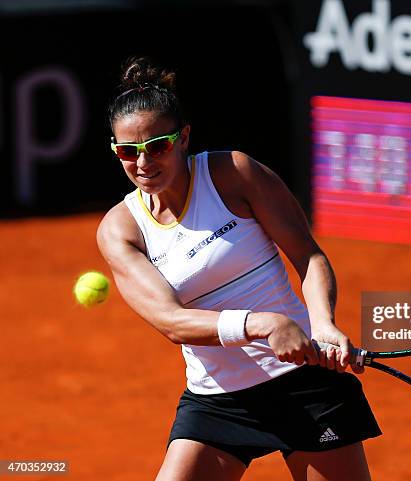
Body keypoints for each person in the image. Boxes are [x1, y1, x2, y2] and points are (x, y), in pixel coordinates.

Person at [97, 56, 381, 481]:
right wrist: (264, 324)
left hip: (304, 383)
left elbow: (308, 256)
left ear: (184, 137)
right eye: (127, 151)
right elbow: (173, 322)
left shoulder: (234, 174)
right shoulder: (120, 230)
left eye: (157, 146)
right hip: (218, 401)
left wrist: (321, 324)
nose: (142, 162)